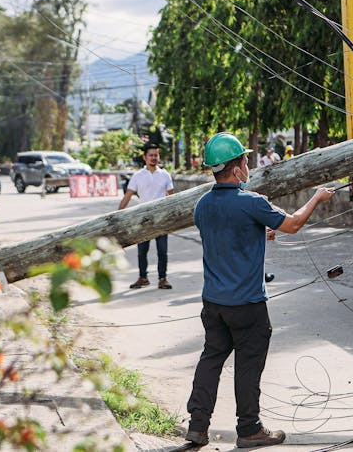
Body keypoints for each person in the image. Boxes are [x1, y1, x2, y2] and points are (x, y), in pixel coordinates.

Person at [184, 132, 334, 448]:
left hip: (214, 304)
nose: (248, 165)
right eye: (245, 160)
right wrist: (317, 198)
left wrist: (257, 234)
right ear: (237, 168)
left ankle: (197, 427)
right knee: (248, 366)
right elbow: (293, 224)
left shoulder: (202, 205)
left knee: (211, 360)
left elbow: (226, 236)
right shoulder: (252, 202)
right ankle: (249, 429)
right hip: (247, 305)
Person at [119, 143, 175, 289]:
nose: (154, 158)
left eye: (156, 155)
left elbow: (172, 197)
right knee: (142, 251)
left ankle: (163, 278)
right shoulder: (138, 176)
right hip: (143, 220)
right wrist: (117, 215)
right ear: (145, 157)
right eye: (151, 155)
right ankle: (143, 277)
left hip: (161, 219)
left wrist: (173, 216)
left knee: (162, 251)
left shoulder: (165, 175)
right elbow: (128, 196)